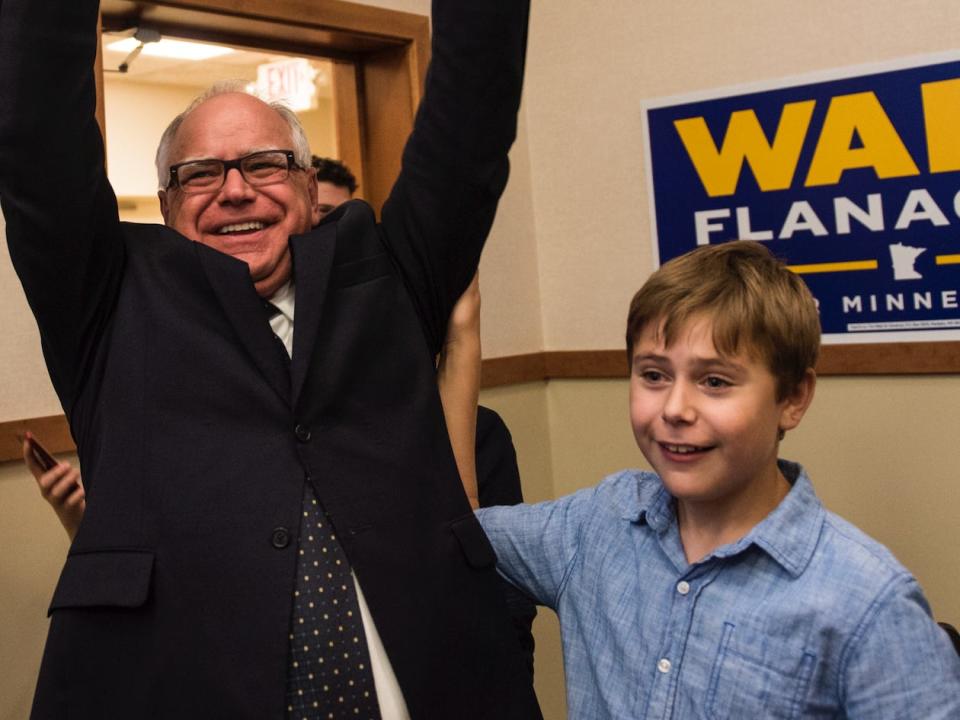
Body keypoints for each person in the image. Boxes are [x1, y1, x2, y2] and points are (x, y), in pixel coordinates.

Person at [0, 0, 539, 717]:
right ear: (165, 203)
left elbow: (471, 122)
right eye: (200, 173)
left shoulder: (386, 280)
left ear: (312, 190)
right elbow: (35, 133)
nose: (235, 189)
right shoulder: (108, 301)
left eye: (265, 164)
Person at [476, 241, 960, 718]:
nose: (675, 409)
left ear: (792, 398)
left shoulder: (868, 604)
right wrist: (459, 343)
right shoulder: (595, 524)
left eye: (715, 381)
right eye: (653, 375)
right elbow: (455, 530)